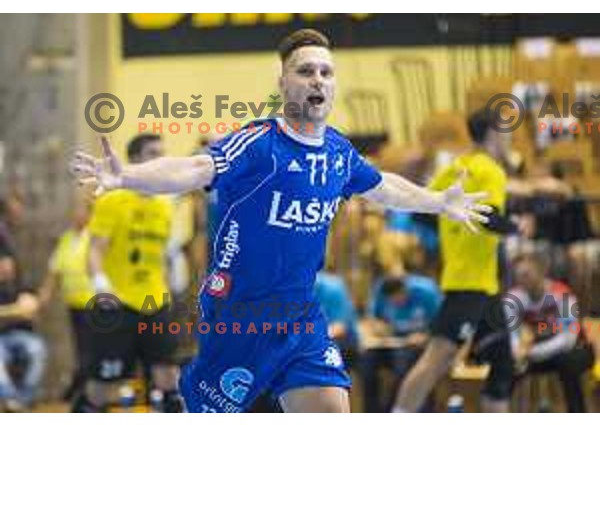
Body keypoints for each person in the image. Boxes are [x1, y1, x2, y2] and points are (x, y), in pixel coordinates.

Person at [71, 29, 491, 413]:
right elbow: (196, 169)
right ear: (283, 83)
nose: (318, 80)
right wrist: (126, 176)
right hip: (239, 319)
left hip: (300, 320)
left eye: (326, 72)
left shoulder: (338, 154)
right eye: (305, 70)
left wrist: (438, 201)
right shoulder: (260, 144)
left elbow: (382, 187)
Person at [394, 108, 517, 413]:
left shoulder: (453, 169)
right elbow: (488, 217)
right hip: (470, 283)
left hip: (483, 285)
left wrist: (452, 234)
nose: (510, 139)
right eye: (507, 132)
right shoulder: (491, 170)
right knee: (437, 358)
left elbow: (422, 211)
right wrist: (517, 227)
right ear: (492, 133)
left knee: (502, 364)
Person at [74, 134, 181, 412]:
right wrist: (100, 283)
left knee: (169, 378)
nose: (160, 159)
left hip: (156, 301)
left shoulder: (163, 206)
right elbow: (95, 250)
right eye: (152, 153)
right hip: (119, 303)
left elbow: (162, 255)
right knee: (103, 387)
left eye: (162, 153)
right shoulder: (113, 200)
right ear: (134, 160)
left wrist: (173, 280)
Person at [508, 253, 595, 412]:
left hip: (573, 348)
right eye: (518, 276)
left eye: (527, 274)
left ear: (541, 272)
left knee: (568, 362)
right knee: (506, 365)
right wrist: (518, 354)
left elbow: (568, 339)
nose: (522, 280)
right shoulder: (513, 299)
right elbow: (512, 336)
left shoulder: (562, 294)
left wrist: (532, 353)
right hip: (534, 351)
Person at [38, 197, 95, 402]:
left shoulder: (94, 238)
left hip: (94, 303)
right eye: (76, 211)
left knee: (91, 348)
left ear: (90, 214)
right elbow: (55, 270)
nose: (77, 215)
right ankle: (82, 388)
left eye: (82, 211)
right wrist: (45, 294)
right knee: (80, 347)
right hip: (74, 303)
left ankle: (86, 390)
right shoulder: (67, 239)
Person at [362, 269, 441, 412]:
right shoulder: (380, 289)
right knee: (367, 361)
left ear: (406, 289)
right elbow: (373, 318)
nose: (396, 303)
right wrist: (378, 326)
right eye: (391, 300)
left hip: (421, 345)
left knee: (402, 361)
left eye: (399, 298)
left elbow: (443, 326)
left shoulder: (427, 291)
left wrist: (426, 336)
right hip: (392, 341)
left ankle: (394, 409)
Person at [0, 246, 46, 411]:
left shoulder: (24, 287)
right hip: (1, 339)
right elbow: (23, 310)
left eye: (8, 265)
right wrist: (16, 310)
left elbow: (31, 309)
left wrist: (5, 312)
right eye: (2, 265)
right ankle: (11, 398)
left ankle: (24, 399)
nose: (5, 269)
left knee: (37, 349)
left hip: (24, 336)